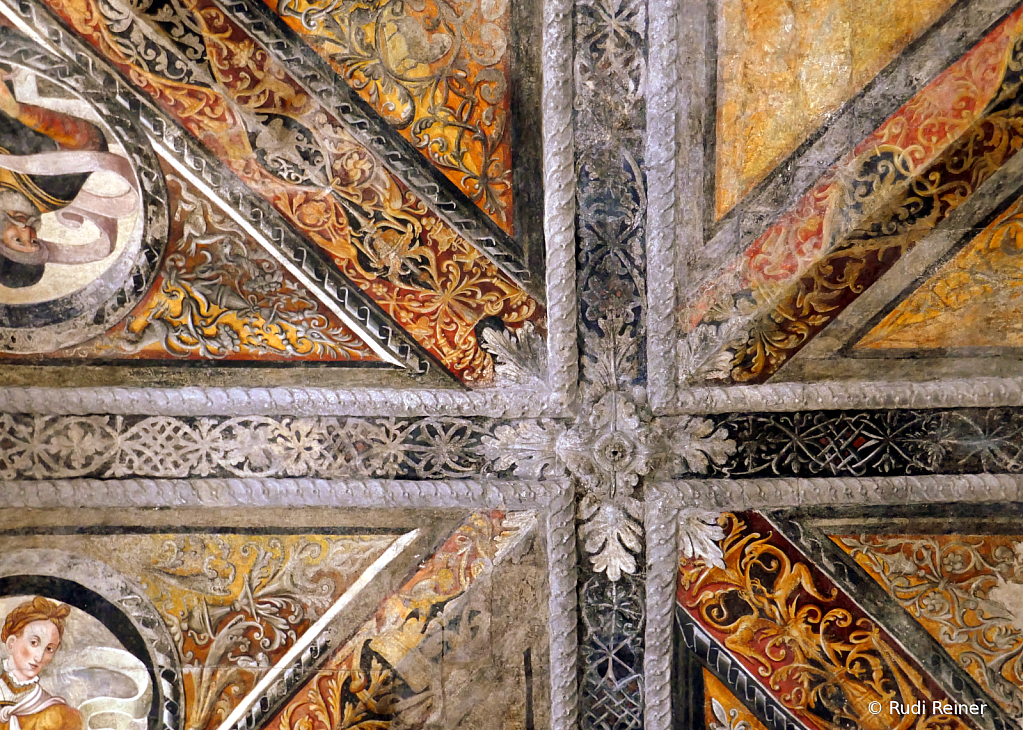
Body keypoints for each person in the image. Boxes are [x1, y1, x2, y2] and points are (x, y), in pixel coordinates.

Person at [0, 68, 138, 289]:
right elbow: (90, 144)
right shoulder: (52, 193)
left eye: (18, 240)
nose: (27, 230)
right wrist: (19, 111)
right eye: (34, 241)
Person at [0, 597, 82, 730]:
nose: (39, 657)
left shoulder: (55, 713)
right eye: (34, 643)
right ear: (11, 643)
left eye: (49, 649)